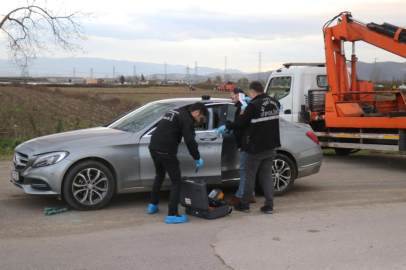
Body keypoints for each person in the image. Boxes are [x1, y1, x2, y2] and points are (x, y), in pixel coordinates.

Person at [217, 81, 281, 214]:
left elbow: (241, 122)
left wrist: (227, 125)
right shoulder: (275, 102)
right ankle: (269, 206)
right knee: (267, 176)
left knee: (249, 175)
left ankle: (245, 205)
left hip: (255, 147)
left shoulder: (253, 105)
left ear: (252, 92)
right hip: (271, 146)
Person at [147, 102, 208, 223]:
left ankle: (152, 205)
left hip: (153, 147)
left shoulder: (177, 111)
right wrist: (197, 157)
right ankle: (172, 214)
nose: (199, 121)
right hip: (166, 151)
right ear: (197, 112)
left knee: (159, 175)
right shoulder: (187, 119)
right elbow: (190, 141)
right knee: (176, 181)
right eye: (200, 118)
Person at [227, 87, 256, 206]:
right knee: (248, 170)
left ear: (238, 96)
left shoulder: (244, 108)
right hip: (245, 142)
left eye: (232, 97)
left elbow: (240, 123)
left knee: (244, 170)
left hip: (246, 143)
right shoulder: (240, 107)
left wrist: (228, 126)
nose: (231, 99)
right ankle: (251, 194)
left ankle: (239, 196)